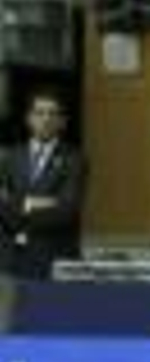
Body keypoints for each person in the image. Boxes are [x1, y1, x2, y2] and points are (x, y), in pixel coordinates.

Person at [0, 91, 86, 279]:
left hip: (54, 255)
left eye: (52, 113)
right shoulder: (10, 157)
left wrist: (19, 205)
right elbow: (2, 206)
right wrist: (36, 203)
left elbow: (67, 208)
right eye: (39, 113)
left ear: (62, 122)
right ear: (29, 119)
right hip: (11, 257)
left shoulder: (75, 160)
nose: (46, 119)